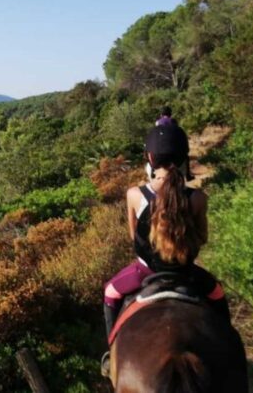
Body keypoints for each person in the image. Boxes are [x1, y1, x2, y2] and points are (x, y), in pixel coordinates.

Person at [103, 125, 229, 346]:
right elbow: (202, 237)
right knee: (218, 294)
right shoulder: (198, 197)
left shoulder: (135, 195)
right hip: (187, 272)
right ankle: (229, 346)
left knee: (110, 293)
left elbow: (135, 238)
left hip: (145, 271)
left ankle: (110, 350)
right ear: (183, 158)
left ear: (149, 158)